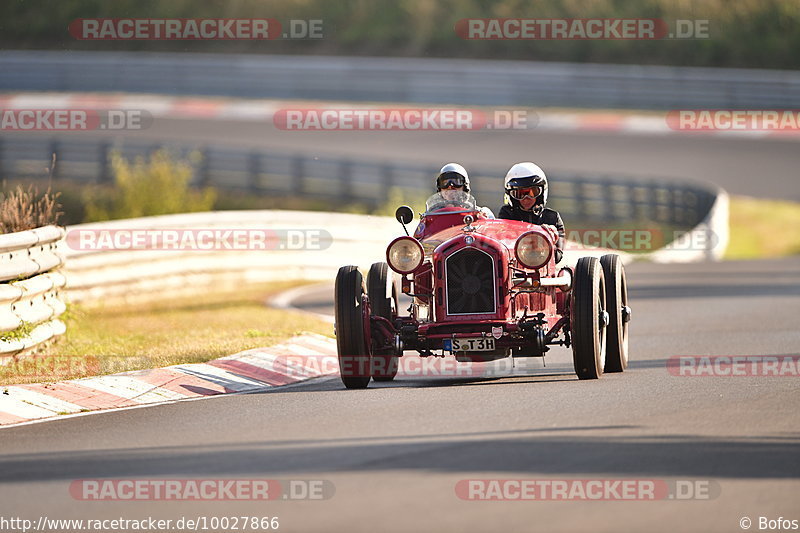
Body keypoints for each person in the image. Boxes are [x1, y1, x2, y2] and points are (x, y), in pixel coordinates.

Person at [498, 162, 565, 263]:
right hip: (514, 268)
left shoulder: (552, 217)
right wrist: (537, 231)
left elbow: (558, 257)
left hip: (542, 269)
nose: (526, 198)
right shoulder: (506, 214)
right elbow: (502, 244)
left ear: (541, 193)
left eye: (532, 192)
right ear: (512, 196)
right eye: (519, 194)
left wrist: (549, 236)